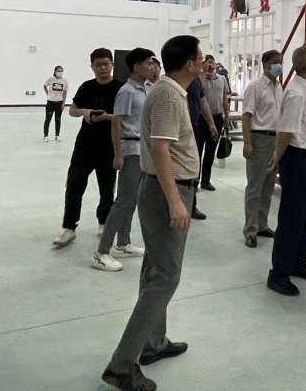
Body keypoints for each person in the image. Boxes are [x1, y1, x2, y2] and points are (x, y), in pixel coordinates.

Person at [101, 35, 203, 391]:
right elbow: (160, 148)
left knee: (155, 270)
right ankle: (121, 366)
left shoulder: (168, 91)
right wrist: (176, 201)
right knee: (165, 278)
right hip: (166, 190)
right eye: (200, 56)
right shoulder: (167, 95)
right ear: (189, 63)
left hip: (164, 187)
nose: (204, 61)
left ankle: (153, 343)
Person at [266, 46, 306, 297]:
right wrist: (277, 159)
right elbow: (286, 131)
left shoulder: (305, 89)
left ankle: (298, 262)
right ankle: (278, 274)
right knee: (292, 218)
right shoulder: (296, 93)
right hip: (297, 159)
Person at [92, 48, 156, 273]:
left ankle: (123, 242)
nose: (152, 67)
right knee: (123, 201)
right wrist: (118, 154)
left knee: (132, 199)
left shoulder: (145, 89)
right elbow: (116, 123)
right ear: (136, 67)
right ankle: (101, 253)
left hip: (143, 149)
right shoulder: (127, 91)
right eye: (148, 63)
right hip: (130, 150)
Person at [52, 49, 123, 248]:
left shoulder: (121, 88)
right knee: (74, 185)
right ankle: (69, 227)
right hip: (85, 145)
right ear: (92, 66)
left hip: (109, 144)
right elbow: (72, 110)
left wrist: (106, 117)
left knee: (107, 187)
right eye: (98, 64)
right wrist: (85, 112)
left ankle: (104, 223)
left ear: (112, 65)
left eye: (106, 63)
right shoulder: (87, 87)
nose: (103, 68)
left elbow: (126, 117)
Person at [241, 50, 284, 248]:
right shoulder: (255, 87)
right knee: (255, 187)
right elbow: (247, 116)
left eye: (281, 62)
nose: (279, 66)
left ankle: (262, 225)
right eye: (275, 62)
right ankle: (250, 230)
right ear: (265, 64)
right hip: (259, 139)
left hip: (276, 140)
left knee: (268, 187)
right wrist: (247, 142)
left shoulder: (279, 87)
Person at [185, 76, 216, 221]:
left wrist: (211, 123)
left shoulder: (196, 80)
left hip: (194, 127)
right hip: (180, 129)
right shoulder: (177, 79)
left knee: (193, 166)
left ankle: (191, 205)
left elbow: (202, 101)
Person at [197, 56, 228, 191]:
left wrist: (226, 116)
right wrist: (203, 73)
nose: (210, 65)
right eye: (207, 62)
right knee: (198, 150)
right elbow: (197, 94)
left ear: (216, 64)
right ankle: (195, 181)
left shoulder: (222, 79)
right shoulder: (199, 78)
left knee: (210, 151)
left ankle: (206, 181)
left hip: (217, 117)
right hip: (201, 119)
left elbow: (224, 98)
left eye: (212, 62)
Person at [43, 66, 70, 142]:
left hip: (59, 102)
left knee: (58, 119)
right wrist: (48, 93)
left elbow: (65, 92)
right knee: (48, 119)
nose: (60, 72)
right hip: (50, 102)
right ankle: (46, 135)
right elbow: (44, 86)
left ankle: (57, 135)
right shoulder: (51, 79)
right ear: (55, 71)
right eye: (58, 71)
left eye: (61, 71)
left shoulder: (65, 81)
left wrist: (63, 103)